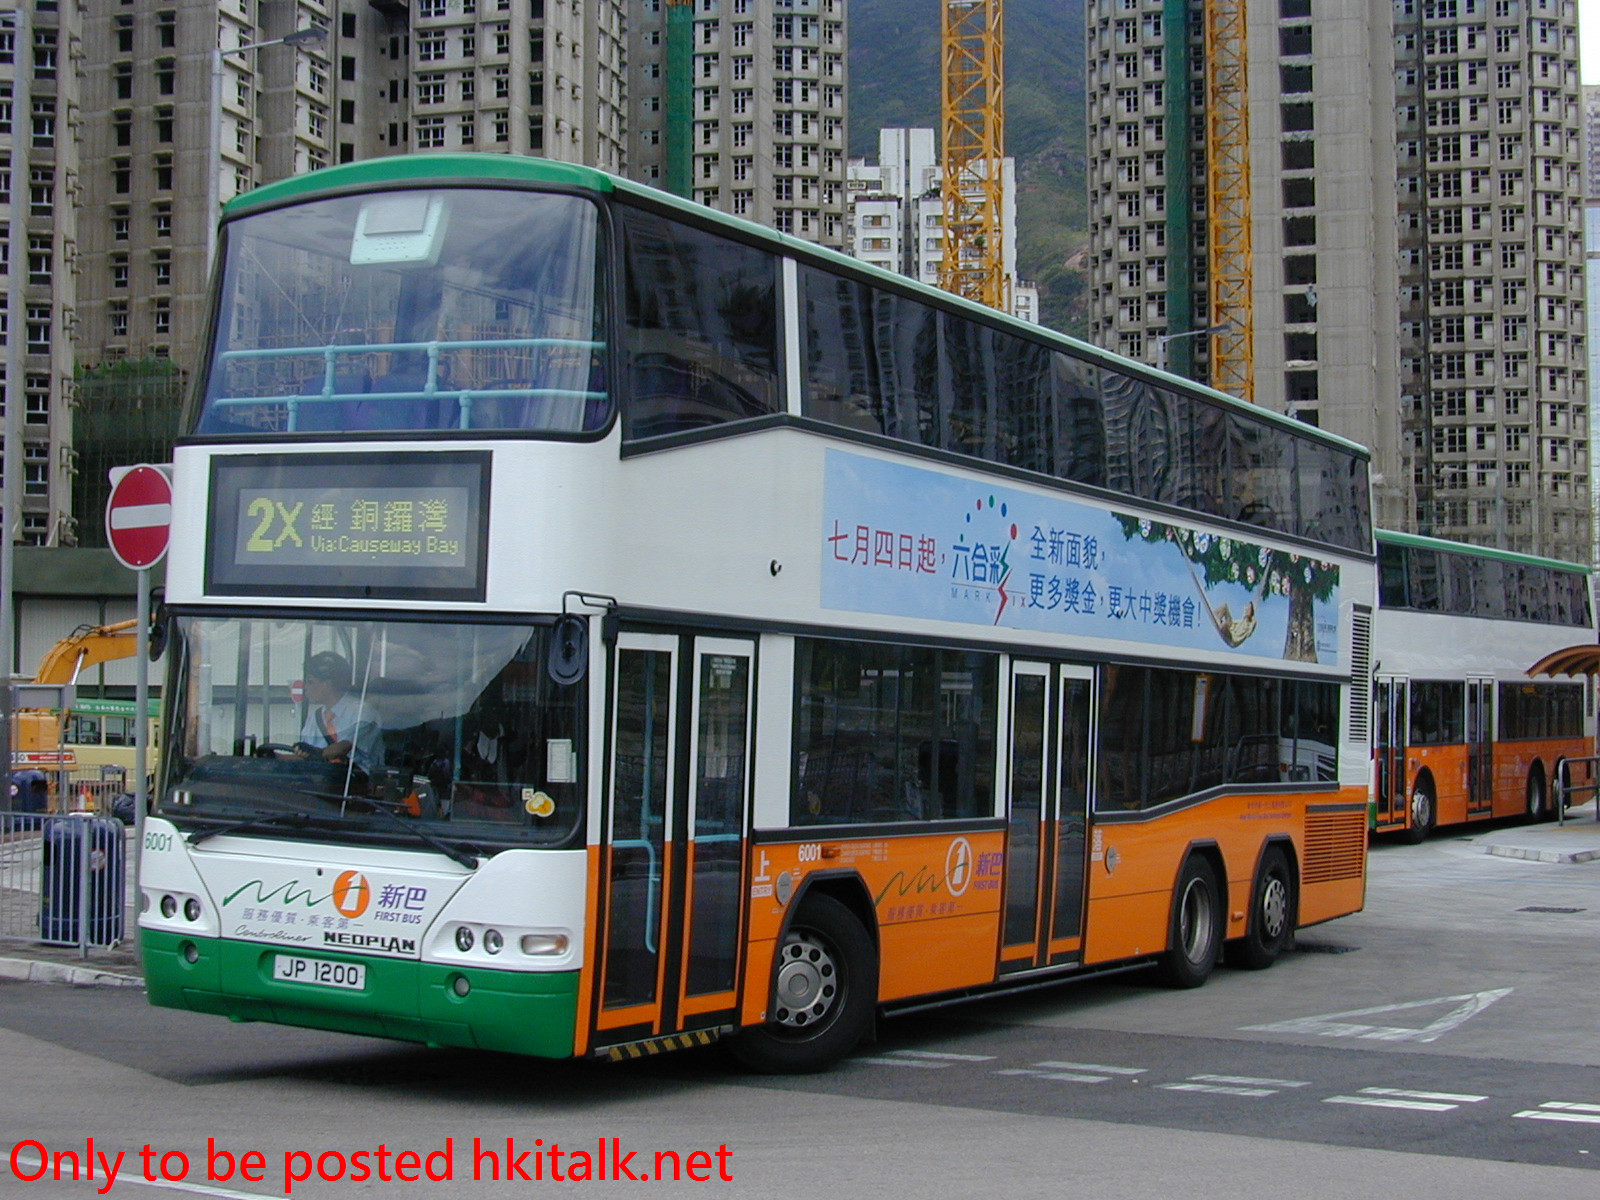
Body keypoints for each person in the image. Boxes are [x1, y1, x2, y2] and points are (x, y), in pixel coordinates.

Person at [296, 652, 382, 774]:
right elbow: (304, 756)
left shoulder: (363, 712)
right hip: (320, 780)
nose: (305, 687)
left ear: (328, 684)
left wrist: (316, 754)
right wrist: (274, 756)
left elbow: (342, 748)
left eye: (310, 682)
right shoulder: (314, 717)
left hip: (355, 782)